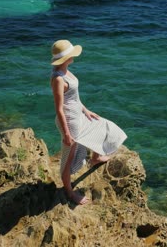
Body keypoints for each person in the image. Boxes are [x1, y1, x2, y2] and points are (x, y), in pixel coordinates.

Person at [50, 39, 127, 205]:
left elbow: (73, 98)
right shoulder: (58, 79)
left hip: (78, 114)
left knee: (102, 125)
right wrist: (67, 134)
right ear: (65, 58)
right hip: (70, 121)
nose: (73, 57)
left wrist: (86, 110)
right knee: (68, 158)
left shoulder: (66, 71)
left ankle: (96, 157)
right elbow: (60, 109)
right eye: (71, 55)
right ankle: (69, 193)